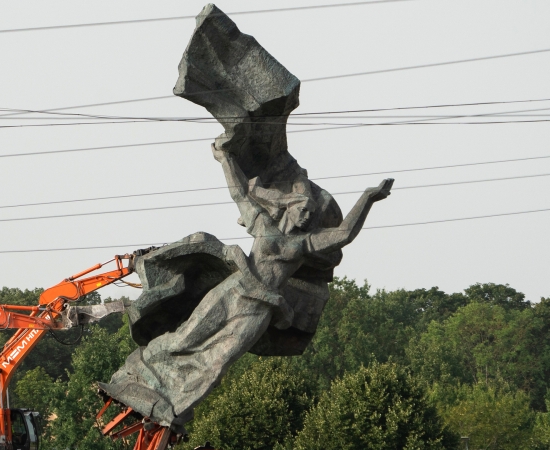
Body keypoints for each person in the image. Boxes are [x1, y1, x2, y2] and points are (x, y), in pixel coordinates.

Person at [99, 141, 394, 432]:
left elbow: (343, 234)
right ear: (289, 208)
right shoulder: (264, 225)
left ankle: (175, 407)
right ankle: (136, 374)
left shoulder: (305, 244)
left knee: (218, 364)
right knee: (184, 339)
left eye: (310, 212)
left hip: (258, 311)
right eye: (303, 209)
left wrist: (368, 198)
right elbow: (239, 192)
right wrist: (224, 160)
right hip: (232, 294)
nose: (307, 215)